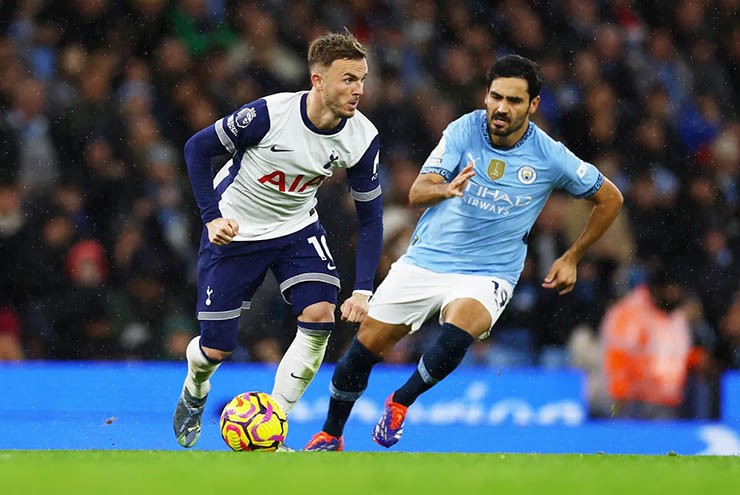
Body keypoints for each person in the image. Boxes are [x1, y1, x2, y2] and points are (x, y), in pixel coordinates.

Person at [304, 54, 623, 451]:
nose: (502, 108)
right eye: (496, 97)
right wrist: (447, 188)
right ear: (486, 96)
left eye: (514, 100)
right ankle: (331, 435)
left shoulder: (549, 154)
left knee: (459, 330)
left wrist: (572, 256)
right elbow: (417, 191)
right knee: (362, 351)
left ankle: (400, 401)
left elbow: (610, 198)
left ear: (533, 105)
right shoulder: (463, 129)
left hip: (489, 271)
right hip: (427, 260)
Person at [173, 31, 383, 449]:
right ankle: (194, 390)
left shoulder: (362, 137)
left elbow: (371, 217)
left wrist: (363, 289)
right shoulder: (269, 115)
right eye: (347, 79)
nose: (358, 89)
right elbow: (197, 149)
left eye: (361, 78)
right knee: (216, 350)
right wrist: (212, 218)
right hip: (235, 229)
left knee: (321, 316)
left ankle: (273, 424)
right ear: (317, 80)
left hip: (296, 229)